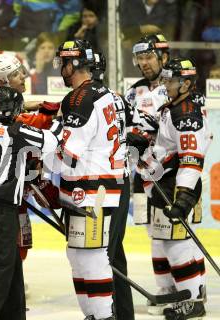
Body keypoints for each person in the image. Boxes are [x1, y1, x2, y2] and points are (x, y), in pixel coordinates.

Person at [0, 86, 63, 320]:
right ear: (16, 109)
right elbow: (53, 141)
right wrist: (60, 119)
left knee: (10, 272)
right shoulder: (17, 131)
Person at [53, 39, 125, 320]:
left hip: (91, 189)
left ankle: (103, 316)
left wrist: (34, 155)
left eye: (64, 62)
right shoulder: (106, 93)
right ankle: (94, 315)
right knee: (78, 255)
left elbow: (68, 154)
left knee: (90, 256)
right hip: (98, 186)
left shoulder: (78, 99)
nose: (61, 68)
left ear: (75, 64)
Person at [140, 57, 211, 320]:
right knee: (164, 241)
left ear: (186, 84)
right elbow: (165, 147)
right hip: (165, 182)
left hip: (176, 186)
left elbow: (191, 158)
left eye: (170, 80)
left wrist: (183, 195)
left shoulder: (187, 114)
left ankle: (192, 299)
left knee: (175, 245)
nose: (165, 84)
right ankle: (185, 292)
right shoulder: (173, 107)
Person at [124, 33, 180, 315]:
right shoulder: (133, 92)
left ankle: (186, 288)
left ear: (163, 57)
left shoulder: (175, 88)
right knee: (154, 234)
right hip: (142, 174)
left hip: (168, 172)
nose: (144, 63)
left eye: (149, 57)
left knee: (171, 235)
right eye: (140, 58)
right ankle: (165, 288)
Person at [91, 51, 135, 320]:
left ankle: (108, 314)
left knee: (103, 253)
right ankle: (122, 313)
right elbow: (143, 124)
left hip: (105, 184)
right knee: (112, 251)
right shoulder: (115, 97)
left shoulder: (87, 99)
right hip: (120, 180)